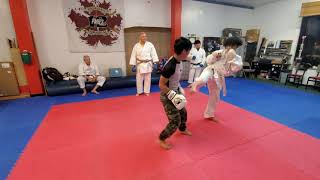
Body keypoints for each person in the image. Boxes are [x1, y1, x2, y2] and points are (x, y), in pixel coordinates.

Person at [190, 36, 243, 120]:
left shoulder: (237, 58)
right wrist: (215, 57)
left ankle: (209, 114)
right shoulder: (219, 52)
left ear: (236, 47)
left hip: (219, 78)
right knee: (204, 78)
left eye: (234, 46)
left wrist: (232, 61)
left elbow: (234, 69)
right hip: (211, 69)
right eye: (229, 46)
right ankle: (195, 85)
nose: (231, 48)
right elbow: (208, 61)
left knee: (215, 96)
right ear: (226, 45)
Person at [158, 37, 192, 150]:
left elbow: (174, 80)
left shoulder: (180, 60)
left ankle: (182, 129)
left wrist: (179, 90)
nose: (189, 53)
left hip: (175, 91)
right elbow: (161, 85)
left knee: (183, 112)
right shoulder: (170, 66)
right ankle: (161, 138)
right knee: (175, 121)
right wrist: (173, 95)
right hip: (167, 96)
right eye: (188, 51)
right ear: (183, 51)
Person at [130, 32, 159, 96]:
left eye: (145, 36)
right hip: (140, 64)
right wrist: (133, 65)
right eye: (143, 36)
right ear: (140, 37)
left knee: (148, 78)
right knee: (139, 79)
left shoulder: (150, 44)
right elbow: (133, 55)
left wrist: (155, 63)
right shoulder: (136, 45)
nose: (145, 38)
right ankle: (139, 91)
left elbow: (153, 53)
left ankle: (146, 91)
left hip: (148, 63)